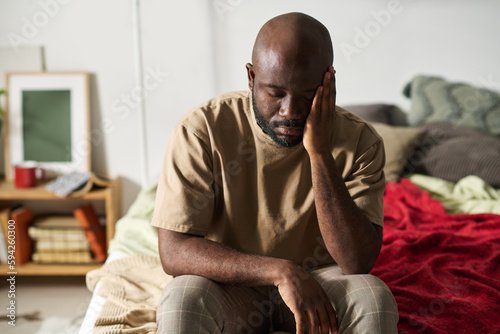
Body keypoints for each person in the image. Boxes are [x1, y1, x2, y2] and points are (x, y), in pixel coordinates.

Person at [152, 12, 399, 334]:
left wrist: (320, 152)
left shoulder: (361, 140)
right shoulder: (202, 129)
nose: (291, 112)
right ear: (251, 77)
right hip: (231, 286)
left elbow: (356, 263)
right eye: (275, 93)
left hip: (321, 285)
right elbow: (174, 251)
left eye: (307, 95)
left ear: (329, 80)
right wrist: (280, 272)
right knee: (183, 296)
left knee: (373, 296)